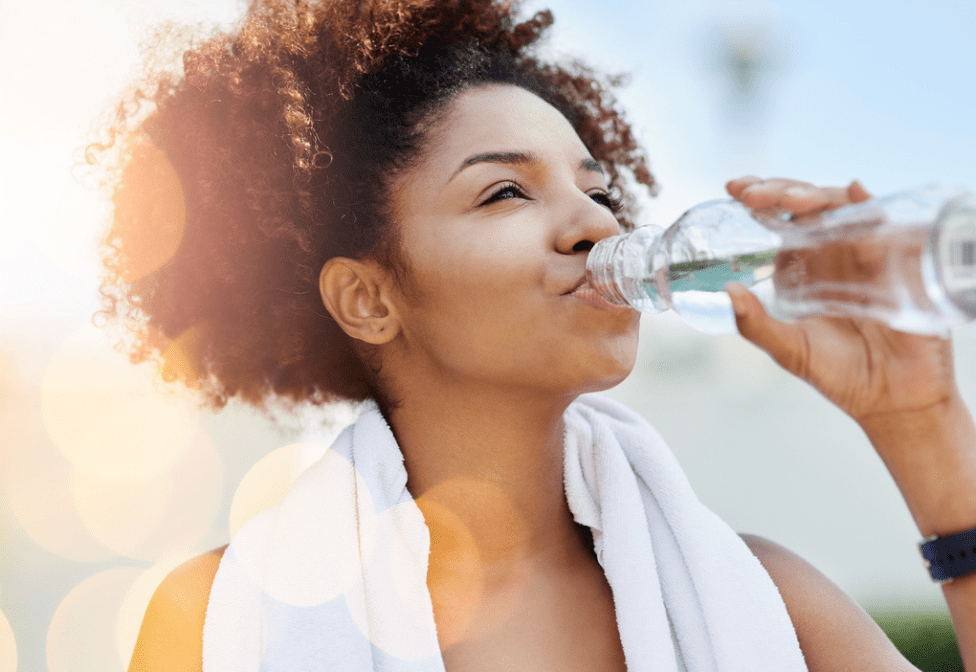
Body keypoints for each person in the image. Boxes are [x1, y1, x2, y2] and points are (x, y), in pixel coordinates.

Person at [92, 0, 976, 670]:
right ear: (367, 298)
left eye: (599, 191)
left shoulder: (770, 603)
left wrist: (921, 422)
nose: (595, 227)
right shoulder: (213, 623)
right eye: (505, 192)